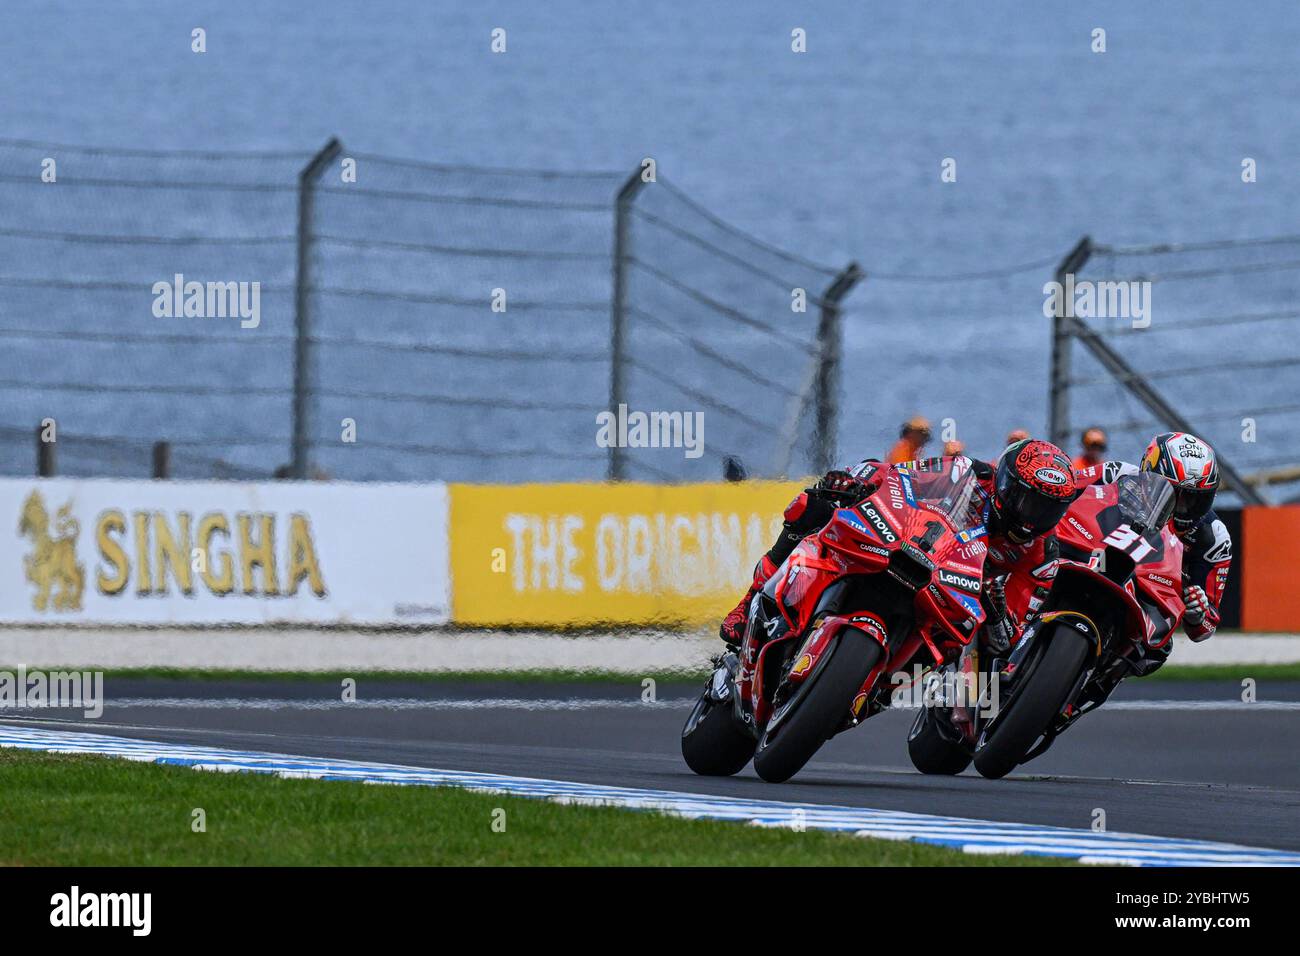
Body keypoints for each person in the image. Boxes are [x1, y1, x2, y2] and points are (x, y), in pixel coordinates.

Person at [719, 439, 1081, 657]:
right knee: (811, 506)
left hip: (954, 601)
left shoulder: (1042, 554)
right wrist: (856, 481)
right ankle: (748, 603)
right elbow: (898, 475)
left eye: (1047, 509)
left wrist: (996, 607)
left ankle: (888, 692)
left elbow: (1007, 640)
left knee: (958, 649)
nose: (1031, 517)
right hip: (915, 548)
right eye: (1026, 500)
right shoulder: (968, 474)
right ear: (1004, 483)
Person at [1073, 432, 1231, 653]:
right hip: (1089, 557)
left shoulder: (1214, 536)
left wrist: (1197, 614)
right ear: (1149, 474)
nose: (1183, 508)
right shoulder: (1116, 474)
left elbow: (1206, 628)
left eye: (1196, 499)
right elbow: (1066, 489)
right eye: (1174, 494)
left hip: (1143, 601)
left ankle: (1099, 680)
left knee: (1157, 651)